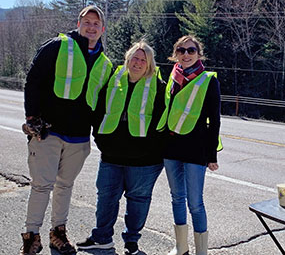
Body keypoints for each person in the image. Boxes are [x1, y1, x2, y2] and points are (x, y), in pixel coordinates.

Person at [21, 5, 112, 255]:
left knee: (65, 186)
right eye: (87, 22)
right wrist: (31, 116)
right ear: (79, 23)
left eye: (96, 23)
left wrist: (100, 137)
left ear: (102, 29)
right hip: (48, 131)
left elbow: (101, 104)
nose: (91, 27)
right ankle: (31, 237)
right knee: (41, 185)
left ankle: (57, 233)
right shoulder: (59, 45)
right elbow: (34, 79)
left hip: (79, 137)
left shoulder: (105, 64)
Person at [76, 41, 166, 255]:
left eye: (143, 60)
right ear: (127, 59)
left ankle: (132, 242)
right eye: (135, 57)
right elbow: (98, 110)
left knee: (138, 201)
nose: (138, 62)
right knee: (106, 197)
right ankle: (102, 238)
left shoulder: (159, 86)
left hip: (145, 160)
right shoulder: (113, 81)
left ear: (150, 64)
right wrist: (101, 138)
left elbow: (163, 121)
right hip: (111, 155)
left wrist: (151, 147)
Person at [157, 35, 221, 255]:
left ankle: (201, 251)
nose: (186, 54)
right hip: (171, 147)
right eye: (181, 50)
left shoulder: (208, 80)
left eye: (191, 50)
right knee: (176, 198)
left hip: (196, 149)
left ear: (198, 54)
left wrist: (211, 155)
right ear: (175, 53)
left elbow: (215, 120)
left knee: (195, 203)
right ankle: (181, 247)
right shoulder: (172, 77)